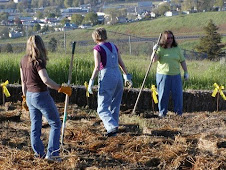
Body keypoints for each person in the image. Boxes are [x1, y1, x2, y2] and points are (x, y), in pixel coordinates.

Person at [20, 35, 72, 161]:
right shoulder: (38, 61)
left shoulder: (23, 60)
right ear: (41, 46)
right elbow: (45, 80)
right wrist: (60, 88)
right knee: (55, 123)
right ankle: (53, 154)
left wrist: (24, 97)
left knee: (35, 125)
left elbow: (23, 81)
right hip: (41, 95)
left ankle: (39, 153)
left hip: (30, 96)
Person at [88, 27, 132, 137]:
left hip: (106, 76)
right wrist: (126, 76)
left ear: (95, 37)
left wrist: (91, 81)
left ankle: (111, 126)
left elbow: (97, 66)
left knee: (102, 108)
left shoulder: (97, 48)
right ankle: (114, 130)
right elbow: (121, 62)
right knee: (115, 104)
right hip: (117, 75)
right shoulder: (114, 46)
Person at [153, 30, 189, 117]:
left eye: (171, 37)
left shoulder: (177, 49)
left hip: (176, 75)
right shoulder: (160, 48)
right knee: (163, 95)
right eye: (168, 38)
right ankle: (162, 113)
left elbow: (182, 61)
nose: (170, 39)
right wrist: (154, 50)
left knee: (178, 95)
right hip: (163, 75)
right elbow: (153, 60)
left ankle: (178, 113)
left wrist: (186, 72)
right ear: (164, 39)